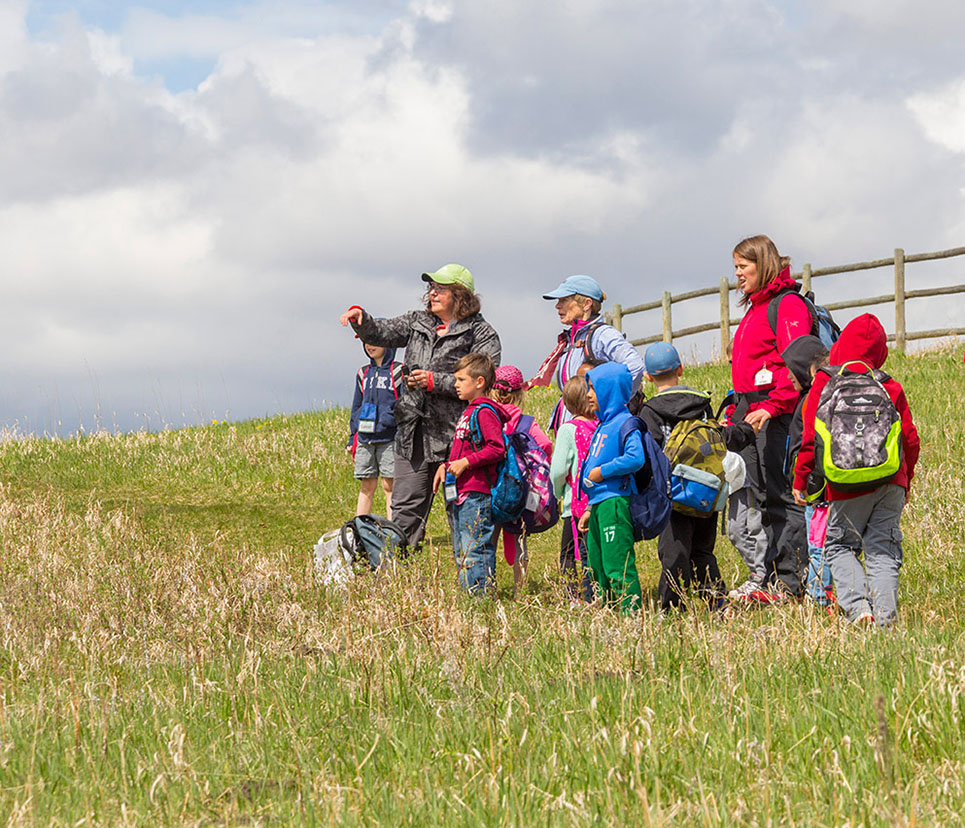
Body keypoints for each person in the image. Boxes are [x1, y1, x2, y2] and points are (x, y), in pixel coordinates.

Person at [339, 264, 501, 548]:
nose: (432, 293)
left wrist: (432, 381)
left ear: (460, 295)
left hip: (459, 439)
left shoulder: (482, 333)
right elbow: (382, 333)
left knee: (462, 513)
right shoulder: (418, 321)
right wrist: (361, 320)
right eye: (431, 288)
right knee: (404, 514)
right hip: (412, 434)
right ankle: (400, 578)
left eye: (440, 288)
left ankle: (470, 580)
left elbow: (485, 381)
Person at [792, 314, 920, 626]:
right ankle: (886, 620)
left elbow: (810, 437)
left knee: (838, 546)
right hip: (891, 480)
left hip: (845, 482)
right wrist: (906, 480)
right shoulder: (889, 385)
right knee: (883, 550)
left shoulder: (825, 381)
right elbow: (910, 439)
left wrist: (801, 478)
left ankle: (859, 609)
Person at [638, 342, 756, 612]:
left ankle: (671, 608)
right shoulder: (701, 402)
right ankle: (717, 602)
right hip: (707, 488)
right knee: (703, 551)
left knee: (674, 552)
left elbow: (652, 453)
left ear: (647, 376)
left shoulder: (650, 411)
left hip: (673, 492)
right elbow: (715, 439)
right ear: (680, 369)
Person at [730, 235, 813, 600]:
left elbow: (796, 365)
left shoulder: (787, 305)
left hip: (778, 412)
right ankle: (767, 578)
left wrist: (773, 406)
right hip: (753, 409)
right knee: (760, 498)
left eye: (742, 267)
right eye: (735, 268)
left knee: (783, 496)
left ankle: (790, 582)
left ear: (761, 264)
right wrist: (738, 410)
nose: (737, 275)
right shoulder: (755, 307)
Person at [529, 275, 645, 432]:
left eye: (564, 300)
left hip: (591, 429)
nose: (557, 306)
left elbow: (635, 366)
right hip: (575, 427)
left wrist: (611, 404)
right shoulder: (573, 337)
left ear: (586, 304)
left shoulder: (602, 334)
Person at [431, 353, 506, 595]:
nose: (456, 384)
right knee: (461, 548)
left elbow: (497, 448)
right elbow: (464, 446)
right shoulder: (468, 412)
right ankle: (468, 595)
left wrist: (467, 462)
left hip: (477, 492)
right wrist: (447, 465)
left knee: (475, 547)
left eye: (462, 379)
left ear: (480, 382)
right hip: (460, 491)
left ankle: (481, 598)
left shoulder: (484, 412)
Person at [576, 362, 645, 614]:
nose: (588, 394)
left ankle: (631, 614)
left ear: (610, 390)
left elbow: (635, 458)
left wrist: (601, 472)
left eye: (594, 388)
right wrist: (589, 507)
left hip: (615, 503)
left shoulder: (625, 422)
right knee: (597, 564)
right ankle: (609, 613)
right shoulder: (603, 424)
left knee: (617, 563)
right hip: (599, 504)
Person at [490, 365, 553, 595]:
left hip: (493, 489)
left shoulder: (489, 418)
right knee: (520, 541)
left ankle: (487, 586)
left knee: (489, 539)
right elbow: (545, 444)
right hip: (520, 491)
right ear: (519, 394)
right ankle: (520, 589)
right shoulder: (527, 422)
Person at [781, 335, 833, 609]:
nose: (789, 377)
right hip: (815, 485)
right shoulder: (808, 396)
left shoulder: (814, 397)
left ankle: (820, 598)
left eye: (792, 371)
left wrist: (802, 480)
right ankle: (822, 594)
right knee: (821, 542)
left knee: (819, 543)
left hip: (816, 487)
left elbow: (809, 444)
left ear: (805, 368)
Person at [721, 340, 770, 600]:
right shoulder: (734, 398)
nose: (733, 366)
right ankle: (759, 575)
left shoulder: (764, 396)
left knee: (755, 527)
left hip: (755, 472)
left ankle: (763, 577)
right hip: (737, 474)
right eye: (731, 362)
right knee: (735, 530)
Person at [549, 376, 597, 603]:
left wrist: (559, 493)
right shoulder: (600, 426)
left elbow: (558, 469)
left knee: (568, 554)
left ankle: (573, 597)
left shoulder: (568, 429)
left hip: (574, 504)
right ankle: (596, 592)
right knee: (593, 551)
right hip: (597, 500)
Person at [347, 341, 403, 519]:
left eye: (375, 342)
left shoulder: (399, 371)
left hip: (390, 437)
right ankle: (359, 528)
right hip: (365, 438)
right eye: (366, 342)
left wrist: (392, 420)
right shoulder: (363, 373)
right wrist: (352, 437)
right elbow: (357, 405)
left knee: (390, 485)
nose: (370, 346)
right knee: (367, 485)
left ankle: (393, 531)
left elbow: (405, 404)